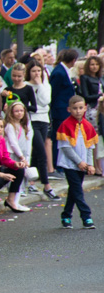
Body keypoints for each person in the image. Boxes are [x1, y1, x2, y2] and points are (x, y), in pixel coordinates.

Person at [56, 96, 96, 229]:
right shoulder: (65, 125)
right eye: (74, 108)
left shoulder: (88, 126)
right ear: (69, 109)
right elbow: (66, 147)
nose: (78, 111)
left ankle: (66, 216)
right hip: (69, 164)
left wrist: (89, 164)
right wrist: (79, 162)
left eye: (80, 108)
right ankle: (86, 216)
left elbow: (90, 147)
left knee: (74, 191)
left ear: (85, 108)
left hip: (82, 164)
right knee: (77, 190)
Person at [26, 61, 56, 199]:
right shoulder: (26, 86)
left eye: (39, 71)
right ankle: (46, 185)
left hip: (43, 120)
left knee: (38, 152)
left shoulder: (45, 85)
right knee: (41, 151)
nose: (36, 74)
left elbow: (45, 101)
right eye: (33, 71)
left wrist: (39, 84)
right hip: (31, 120)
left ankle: (31, 181)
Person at [49, 49, 79, 176]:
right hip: (60, 111)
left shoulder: (63, 71)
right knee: (59, 138)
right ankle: (57, 165)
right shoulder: (59, 73)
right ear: (73, 60)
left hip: (64, 110)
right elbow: (54, 92)